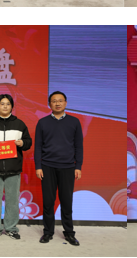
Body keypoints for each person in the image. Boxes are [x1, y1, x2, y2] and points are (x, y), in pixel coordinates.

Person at [35, 91, 83, 245]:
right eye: (54, 101)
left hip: (68, 167)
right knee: (48, 202)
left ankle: (69, 233)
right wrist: (38, 166)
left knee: (66, 202)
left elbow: (79, 146)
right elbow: (37, 147)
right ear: (49, 104)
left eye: (60, 100)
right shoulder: (42, 122)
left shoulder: (74, 122)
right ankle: (47, 232)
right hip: (47, 167)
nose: (57, 103)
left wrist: (78, 166)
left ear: (65, 103)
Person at [0, 94, 32, 239]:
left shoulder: (19, 124)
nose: (5, 106)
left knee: (12, 200)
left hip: (13, 169)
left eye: (8, 104)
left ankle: (11, 228)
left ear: (12, 106)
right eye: (2, 104)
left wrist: (22, 143)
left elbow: (28, 141)